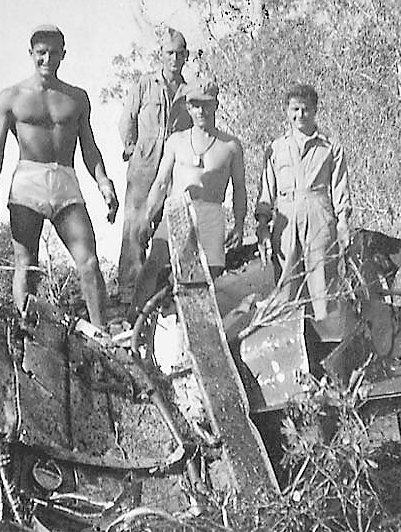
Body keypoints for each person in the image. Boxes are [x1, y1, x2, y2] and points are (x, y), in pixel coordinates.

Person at [0, 24, 119, 327]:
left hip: (65, 180)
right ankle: (27, 335)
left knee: (89, 263)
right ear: (31, 54)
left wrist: (104, 182)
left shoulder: (76, 98)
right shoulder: (11, 97)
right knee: (27, 265)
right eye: (41, 53)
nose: (46, 60)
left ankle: (101, 334)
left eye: (53, 54)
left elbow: (89, 146)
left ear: (63, 55)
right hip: (28, 181)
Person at [133, 78, 246, 314]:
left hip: (212, 212)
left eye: (206, 104)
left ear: (215, 105)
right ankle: (134, 321)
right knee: (155, 263)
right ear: (188, 107)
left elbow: (239, 189)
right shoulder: (177, 141)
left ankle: (201, 327)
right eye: (195, 105)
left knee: (210, 275)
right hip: (178, 210)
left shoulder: (231, 146)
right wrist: (146, 217)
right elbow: (161, 183)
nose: (201, 110)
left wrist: (239, 225)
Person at [254, 83, 351, 333]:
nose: (300, 115)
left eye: (305, 110)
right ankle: (288, 347)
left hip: (319, 214)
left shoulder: (330, 146)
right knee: (286, 284)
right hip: (286, 218)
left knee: (322, 284)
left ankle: (328, 345)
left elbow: (340, 186)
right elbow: (266, 191)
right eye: (295, 109)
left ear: (315, 110)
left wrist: (343, 223)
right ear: (287, 111)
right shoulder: (276, 148)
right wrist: (262, 226)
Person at [116, 27, 193, 306]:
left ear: (186, 56)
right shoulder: (145, 84)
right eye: (169, 53)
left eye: (179, 53)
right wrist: (131, 146)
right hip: (145, 166)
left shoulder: (189, 92)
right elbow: (127, 118)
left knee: (169, 229)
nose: (174, 58)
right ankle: (128, 295)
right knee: (135, 228)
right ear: (161, 55)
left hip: (174, 170)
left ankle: (161, 295)